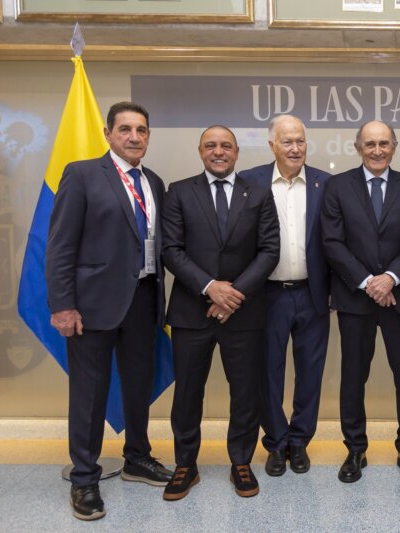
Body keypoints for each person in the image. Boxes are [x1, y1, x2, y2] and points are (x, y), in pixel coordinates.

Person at [46, 101, 172, 521]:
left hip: (143, 300)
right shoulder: (82, 175)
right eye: (126, 130)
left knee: (139, 385)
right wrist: (63, 304)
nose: (134, 137)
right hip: (92, 305)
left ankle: (137, 456)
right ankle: (85, 478)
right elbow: (60, 245)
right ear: (108, 133)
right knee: (89, 394)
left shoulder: (154, 181)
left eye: (141, 130)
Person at [161, 125, 280, 501]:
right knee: (188, 392)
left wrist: (234, 293)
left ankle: (241, 461)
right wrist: (211, 287)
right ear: (200, 151)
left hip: (243, 313)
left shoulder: (259, 195)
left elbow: (269, 251)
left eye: (225, 145)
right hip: (190, 311)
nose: (218, 151)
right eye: (211, 145)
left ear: (236, 152)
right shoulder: (179, 192)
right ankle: (185, 464)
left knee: (244, 391)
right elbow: (171, 249)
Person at [321, 120, 400, 483]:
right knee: (353, 376)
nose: (378, 150)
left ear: (394, 146)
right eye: (370, 144)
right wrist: (369, 282)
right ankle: (355, 449)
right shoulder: (338, 187)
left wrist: (391, 278)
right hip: (357, 299)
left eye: (384, 143)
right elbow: (332, 242)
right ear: (358, 147)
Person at [239, 115, 330, 476]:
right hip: (267, 296)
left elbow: (335, 243)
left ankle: (299, 441)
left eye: (301, 141)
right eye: (287, 141)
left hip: (312, 293)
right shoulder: (250, 182)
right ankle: (276, 442)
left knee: (310, 372)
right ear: (272, 145)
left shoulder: (326, 183)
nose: (295, 148)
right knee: (268, 372)